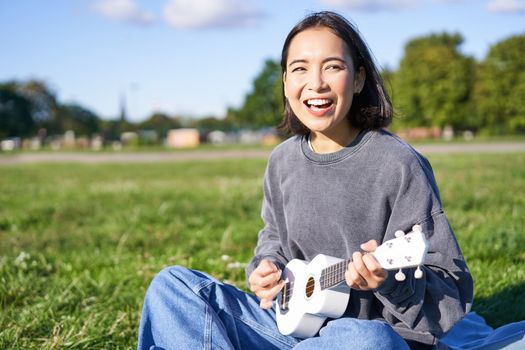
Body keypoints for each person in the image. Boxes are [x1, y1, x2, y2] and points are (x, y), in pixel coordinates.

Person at [137, 11, 473, 350]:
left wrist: (389, 283)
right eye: (300, 68)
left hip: (367, 335)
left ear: (358, 80)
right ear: (285, 82)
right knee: (173, 286)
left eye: (333, 66)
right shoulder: (282, 160)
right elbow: (274, 243)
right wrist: (266, 269)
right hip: (289, 328)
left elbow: (449, 292)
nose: (316, 83)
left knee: (365, 340)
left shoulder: (399, 163)